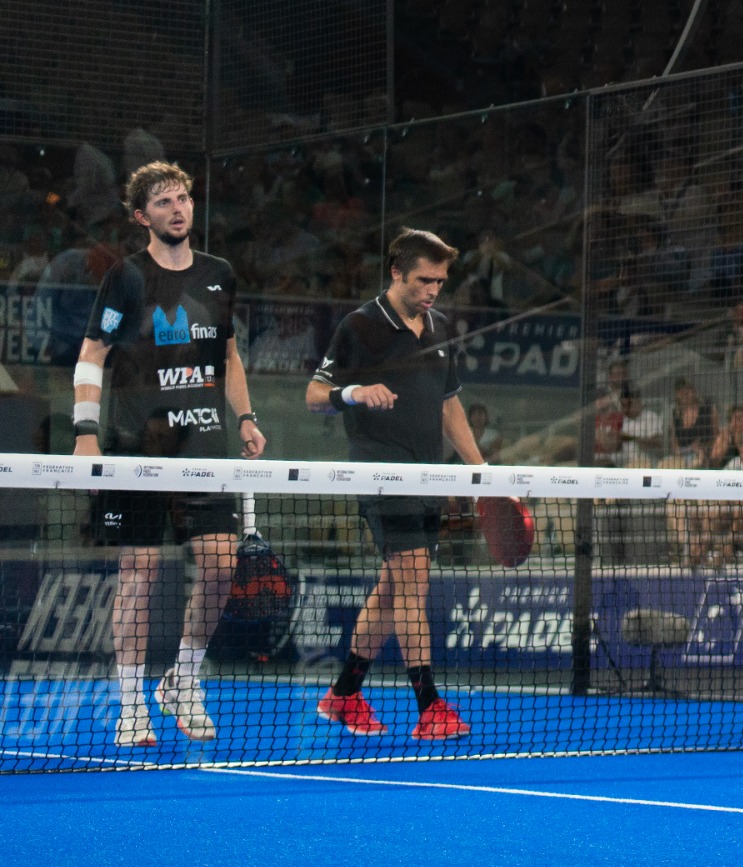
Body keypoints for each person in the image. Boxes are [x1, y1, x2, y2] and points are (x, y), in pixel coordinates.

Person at [74, 161, 267, 747]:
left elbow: (228, 355)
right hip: (137, 448)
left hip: (204, 445)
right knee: (141, 570)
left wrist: (246, 418)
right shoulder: (127, 277)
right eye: (163, 202)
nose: (178, 208)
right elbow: (93, 350)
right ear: (142, 216)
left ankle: (182, 680)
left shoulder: (219, 274)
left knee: (221, 566)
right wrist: (85, 431)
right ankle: (131, 704)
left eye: (182, 197)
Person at [307, 228, 479, 740]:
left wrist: (480, 471)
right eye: (424, 280)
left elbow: (450, 406)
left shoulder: (440, 326)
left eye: (440, 282)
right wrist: (354, 393)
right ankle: (429, 706)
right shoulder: (360, 325)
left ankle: (343, 695)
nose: (433, 290)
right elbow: (314, 395)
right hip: (382, 474)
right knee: (412, 583)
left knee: (391, 590)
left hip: (427, 476)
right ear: (397, 273)